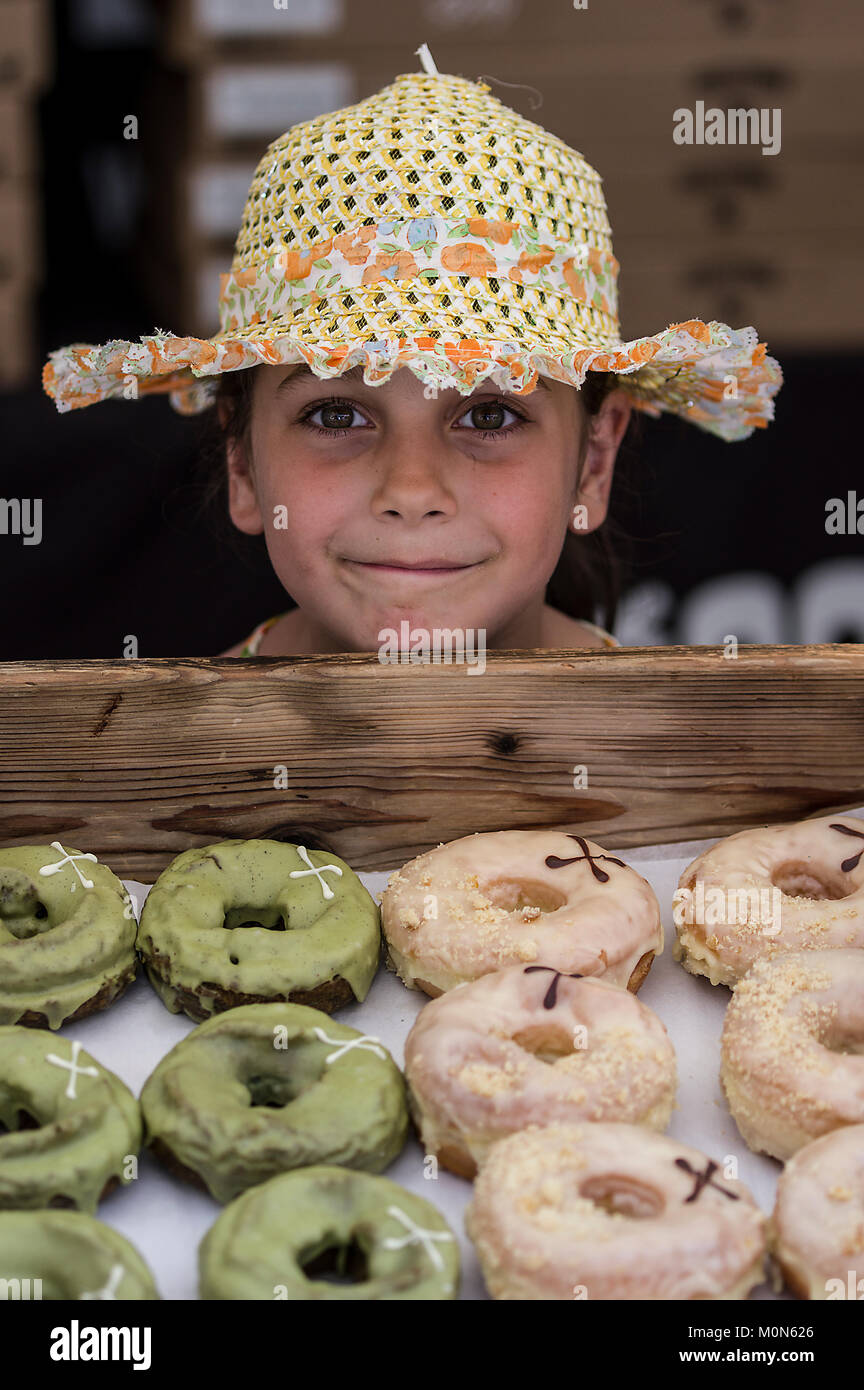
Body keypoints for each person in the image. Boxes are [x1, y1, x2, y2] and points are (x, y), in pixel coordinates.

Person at [42, 52, 782, 658]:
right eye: (336, 412)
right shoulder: (161, 771)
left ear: (594, 459)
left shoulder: (691, 775)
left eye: (490, 414)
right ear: (242, 464)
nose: (412, 488)